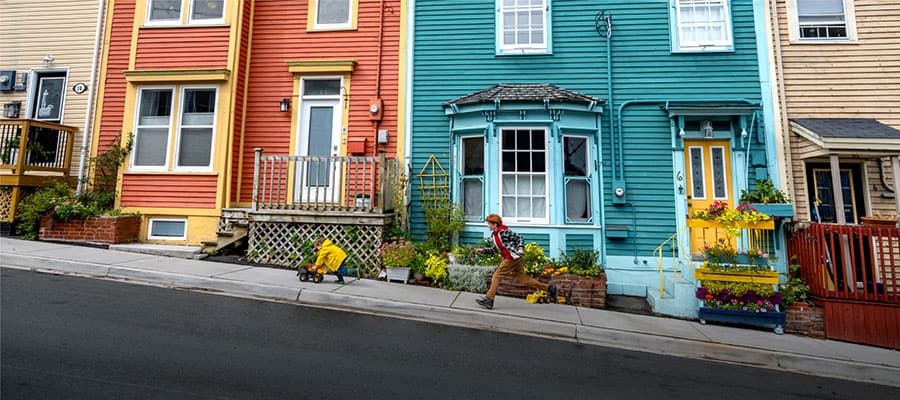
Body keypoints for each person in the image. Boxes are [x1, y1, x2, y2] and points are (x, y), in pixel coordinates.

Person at [474, 214, 557, 310]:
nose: (487, 225)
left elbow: (519, 237)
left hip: (511, 258)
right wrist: (483, 250)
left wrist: (520, 248)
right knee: (524, 280)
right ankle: (549, 288)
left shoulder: (504, 232)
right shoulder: (495, 235)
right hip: (515, 258)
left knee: (496, 276)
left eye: (489, 223)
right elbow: (496, 249)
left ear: (495, 224)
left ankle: (489, 298)